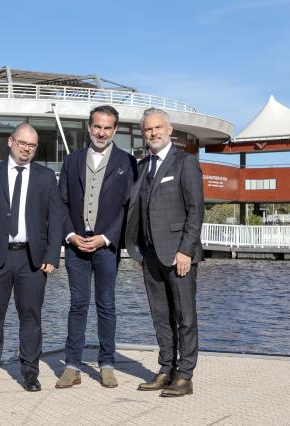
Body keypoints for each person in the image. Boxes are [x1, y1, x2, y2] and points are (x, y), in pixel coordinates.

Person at [0, 123, 62, 392]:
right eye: (23, 143)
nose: (27, 149)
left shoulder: (46, 176)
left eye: (32, 145)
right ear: (11, 142)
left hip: (32, 259)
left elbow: (55, 219)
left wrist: (52, 255)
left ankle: (30, 371)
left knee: (31, 317)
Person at [56, 105, 137, 389]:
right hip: (76, 246)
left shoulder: (127, 162)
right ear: (89, 128)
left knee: (107, 305)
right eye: (97, 127)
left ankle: (107, 364)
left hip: (106, 246)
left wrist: (106, 237)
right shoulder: (72, 161)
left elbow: (128, 208)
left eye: (107, 128)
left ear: (114, 130)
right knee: (77, 305)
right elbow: (61, 203)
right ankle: (72, 365)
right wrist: (69, 235)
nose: (101, 132)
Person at [125, 107, 204, 397]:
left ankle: (185, 375)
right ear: (143, 134)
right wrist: (139, 251)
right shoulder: (143, 166)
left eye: (158, 127)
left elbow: (196, 211)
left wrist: (186, 250)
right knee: (161, 316)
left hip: (178, 256)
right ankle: (166, 368)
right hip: (150, 256)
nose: (153, 133)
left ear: (169, 130)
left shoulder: (185, 163)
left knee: (185, 316)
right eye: (148, 129)